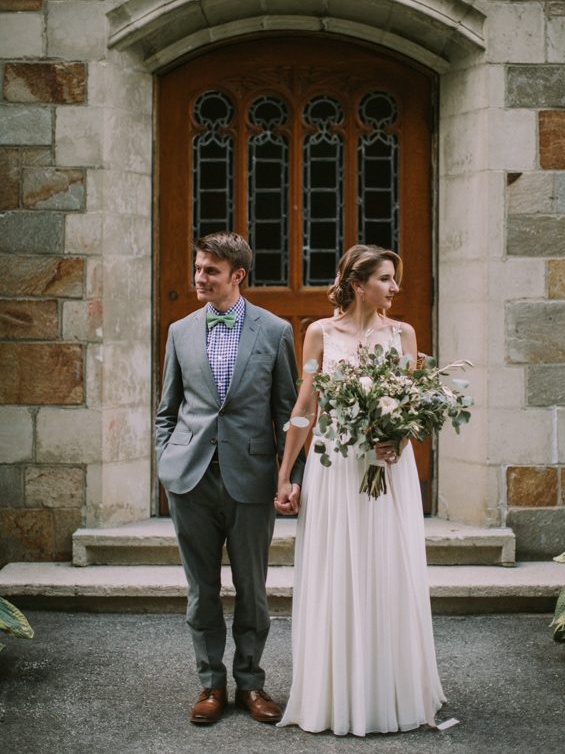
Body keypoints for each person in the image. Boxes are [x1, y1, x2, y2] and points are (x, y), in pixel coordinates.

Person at [275, 244, 446, 736]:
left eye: (395, 279)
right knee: (337, 567)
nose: (396, 288)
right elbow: (306, 403)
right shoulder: (319, 334)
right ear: (357, 283)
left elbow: (413, 401)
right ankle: (335, 693)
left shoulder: (403, 333)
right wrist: (287, 473)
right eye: (387, 279)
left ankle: (387, 691)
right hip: (336, 467)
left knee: (386, 566)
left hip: (387, 468)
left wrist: (396, 433)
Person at [155, 232, 304, 726]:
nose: (200, 278)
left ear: (237, 275)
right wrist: (166, 461)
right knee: (201, 590)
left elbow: (289, 411)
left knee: (252, 589)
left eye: (210, 271)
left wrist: (290, 476)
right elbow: (167, 410)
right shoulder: (180, 331)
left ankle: (252, 684)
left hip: (252, 479)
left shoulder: (276, 330)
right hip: (191, 480)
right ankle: (210, 685)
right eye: (198, 269)